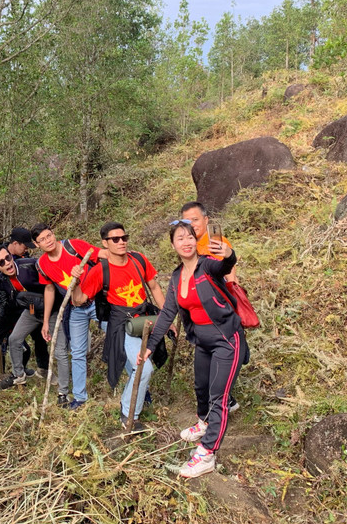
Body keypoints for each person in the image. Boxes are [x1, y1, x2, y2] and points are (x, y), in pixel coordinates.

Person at [140, 220, 246, 478]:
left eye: (189, 237)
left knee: (218, 398)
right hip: (202, 342)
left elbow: (225, 266)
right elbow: (167, 313)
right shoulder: (177, 276)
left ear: (195, 241)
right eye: (180, 238)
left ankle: (207, 453)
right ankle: (205, 423)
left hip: (226, 339)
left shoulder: (207, 265)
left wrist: (229, 255)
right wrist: (151, 346)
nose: (186, 242)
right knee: (201, 387)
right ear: (173, 245)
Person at [78, 222, 164, 428]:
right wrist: (75, 281)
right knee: (143, 368)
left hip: (143, 319)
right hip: (120, 324)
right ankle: (128, 414)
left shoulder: (138, 259)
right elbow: (79, 300)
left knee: (138, 367)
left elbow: (154, 286)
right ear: (104, 243)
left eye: (124, 238)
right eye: (115, 239)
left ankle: (139, 395)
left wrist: (166, 318)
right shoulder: (100, 270)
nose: (121, 242)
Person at [180, 202, 240, 412]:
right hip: (200, 315)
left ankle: (221, 404)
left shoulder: (217, 242)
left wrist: (232, 298)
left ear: (206, 220)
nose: (191, 225)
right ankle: (220, 404)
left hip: (219, 312)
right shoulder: (189, 244)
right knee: (207, 361)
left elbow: (229, 271)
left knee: (222, 355)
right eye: (186, 221)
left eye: (195, 219)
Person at [32, 223, 101, 408]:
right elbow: (49, 289)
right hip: (75, 308)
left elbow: (101, 255)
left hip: (97, 301)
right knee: (77, 353)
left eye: (49, 235)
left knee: (119, 338)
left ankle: (142, 388)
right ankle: (79, 398)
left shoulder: (72, 246)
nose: (48, 241)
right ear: (37, 244)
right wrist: (45, 322)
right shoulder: (42, 265)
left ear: (53, 234)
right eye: (42, 240)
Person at [0, 244, 42, 387]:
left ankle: (41, 369)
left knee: (37, 338)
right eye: (2, 262)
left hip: (35, 307)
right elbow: (0, 303)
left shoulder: (29, 264)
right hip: (8, 312)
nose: (7, 263)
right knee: (2, 340)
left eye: (8, 258)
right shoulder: (0, 280)